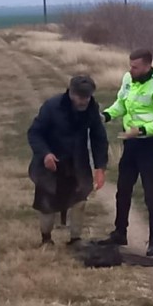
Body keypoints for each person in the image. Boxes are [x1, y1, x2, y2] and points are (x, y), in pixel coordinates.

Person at [100, 49, 153, 257]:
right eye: (130, 66)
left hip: (150, 144)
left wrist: (141, 130)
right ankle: (120, 232)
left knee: (151, 192)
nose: (130, 70)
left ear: (148, 66)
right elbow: (122, 104)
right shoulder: (128, 79)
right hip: (130, 144)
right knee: (123, 188)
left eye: (135, 67)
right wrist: (105, 116)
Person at [27, 75, 107, 245]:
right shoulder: (52, 106)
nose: (83, 101)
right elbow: (35, 133)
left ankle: (75, 239)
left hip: (77, 162)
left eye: (87, 97)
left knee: (80, 200)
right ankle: (46, 239)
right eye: (80, 97)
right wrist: (45, 154)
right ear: (70, 92)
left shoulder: (92, 108)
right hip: (50, 163)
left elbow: (98, 137)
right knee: (47, 203)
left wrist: (100, 167)